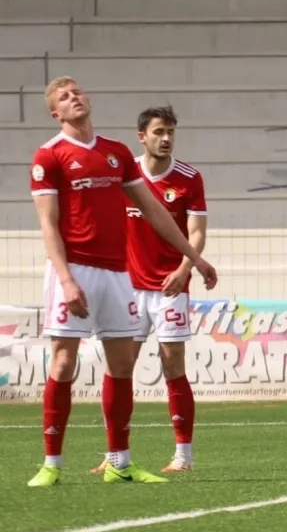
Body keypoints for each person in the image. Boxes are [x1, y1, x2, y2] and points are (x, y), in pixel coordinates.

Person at [27, 77, 217, 488]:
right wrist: (66, 280)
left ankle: (120, 462)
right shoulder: (49, 155)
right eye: (64, 97)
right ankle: (51, 464)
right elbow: (48, 223)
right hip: (75, 269)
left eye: (77, 92)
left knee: (121, 366)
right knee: (63, 363)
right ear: (56, 113)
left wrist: (195, 258)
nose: (74, 98)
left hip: (118, 275)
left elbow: (154, 210)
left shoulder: (115, 154)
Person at [89, 106, 207, 475]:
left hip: (171, 286)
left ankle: (183, 456)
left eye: (170, 131)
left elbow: (197, 233)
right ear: (142, 136)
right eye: (158, 132)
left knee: (172, 365)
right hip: (127, 288)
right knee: (119, 368)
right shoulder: (125, 176)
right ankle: (114, 454)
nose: (166, 138)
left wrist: (184, 270)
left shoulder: (189, 178)